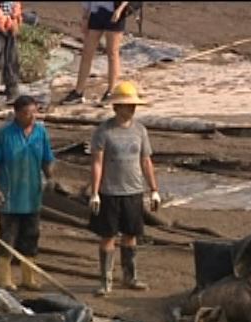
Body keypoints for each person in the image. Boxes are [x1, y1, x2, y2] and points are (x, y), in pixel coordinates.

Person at [87, 80, 160, 296]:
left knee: (131, 235)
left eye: (133, 105)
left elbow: (146, 161)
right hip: (109, 192)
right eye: (127, 105)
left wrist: (153, 189)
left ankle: (130, 276)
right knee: (108, 236)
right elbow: (97, 162)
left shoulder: (140, 131)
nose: (131, 109)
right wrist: (95, 193)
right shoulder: (104, 131)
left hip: (133, 191)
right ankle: (106, 280)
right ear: (116, 107)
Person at [0, 94, 55, 291]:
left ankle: (28, 277)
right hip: (9, 196)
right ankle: (5, 278)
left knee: (31, 236)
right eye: (26, 113)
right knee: (8, 236)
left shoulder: (41, 133)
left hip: (32, 195)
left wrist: (51, 177)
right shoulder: (5, 134)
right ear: (16, 114)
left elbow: (47, 159)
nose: (31, 117)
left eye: (34, 113)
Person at [61, 1, 133, 105]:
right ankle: (78, 92)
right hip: (97, 13)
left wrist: (120, 9)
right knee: (87, 52)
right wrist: (85, 17)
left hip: (115, 12)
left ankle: (111, 91)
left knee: (112, 53)